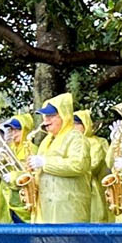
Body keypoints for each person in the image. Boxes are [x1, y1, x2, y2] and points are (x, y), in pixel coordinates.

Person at [26, 95, 91, 223]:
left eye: (51, 116)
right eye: (45, 116)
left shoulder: (76, 137)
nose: (46, 120)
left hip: (68, 209)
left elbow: (78, 165)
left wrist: (45, 162)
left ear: (64, 116)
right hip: (45, 207)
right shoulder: (47, 141)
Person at [75, 110, 109, 223]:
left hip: (92, 190)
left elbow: (93, 166)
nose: (73, 128)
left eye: (76, 124)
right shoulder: (71, 142)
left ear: (85, 125)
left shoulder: (96, 143)